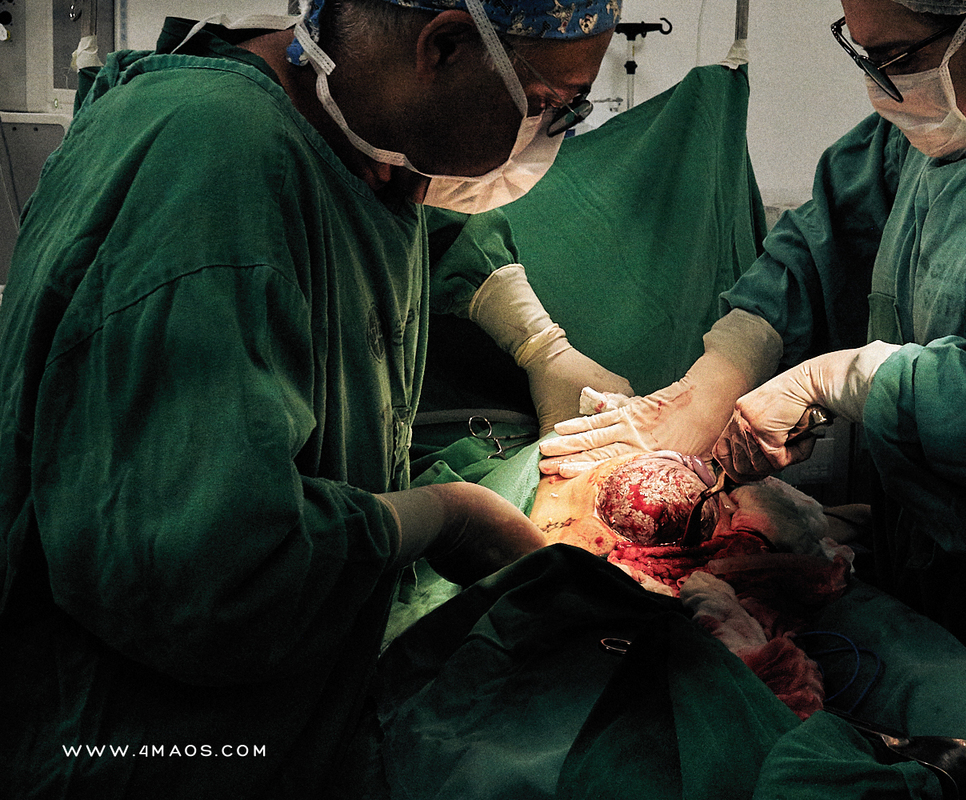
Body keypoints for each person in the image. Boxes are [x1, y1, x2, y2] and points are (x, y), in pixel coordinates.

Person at [540, 0, 966, 797]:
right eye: (859, 49)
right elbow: (819, 245)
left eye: (894, 54)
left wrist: (844, 381)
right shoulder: (943, 128)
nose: (877, 84)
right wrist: (712, 380)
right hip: (948, 574)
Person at [0, 0, 618, 796]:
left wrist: (542, 345)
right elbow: (204, 576)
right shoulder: (214, 162)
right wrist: (440, 517)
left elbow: (419, 231)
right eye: (548, 103)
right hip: (137, 753)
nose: (552, 131)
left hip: (273, 721)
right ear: (446, 45)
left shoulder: (359, 143)